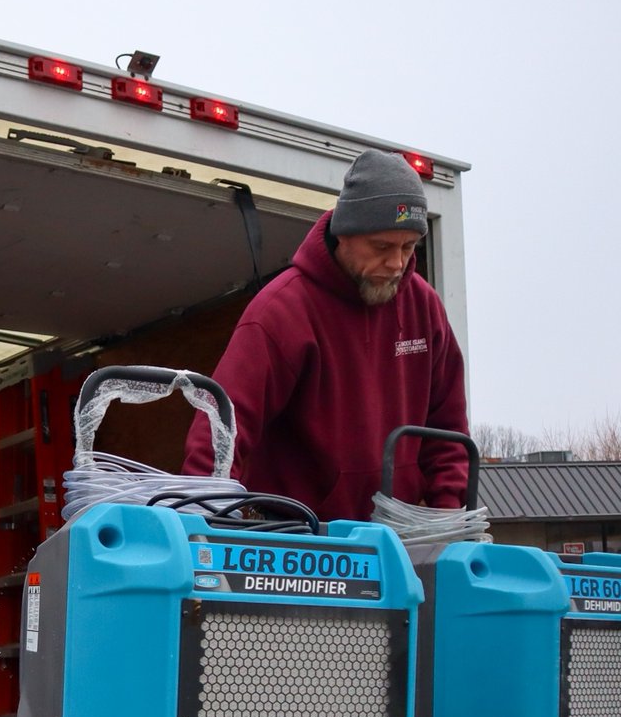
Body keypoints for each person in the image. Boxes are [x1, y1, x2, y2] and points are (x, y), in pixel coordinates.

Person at [182, 148, 470, 522]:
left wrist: (448, 527)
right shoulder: (283, 310)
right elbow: (223, 423)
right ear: (344, 234)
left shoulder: (424, 308)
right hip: (297, 537)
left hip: (394, 537)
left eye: (408, 246)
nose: (398, 263)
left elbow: (448, 432)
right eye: (382, 247)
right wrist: (206, 521)